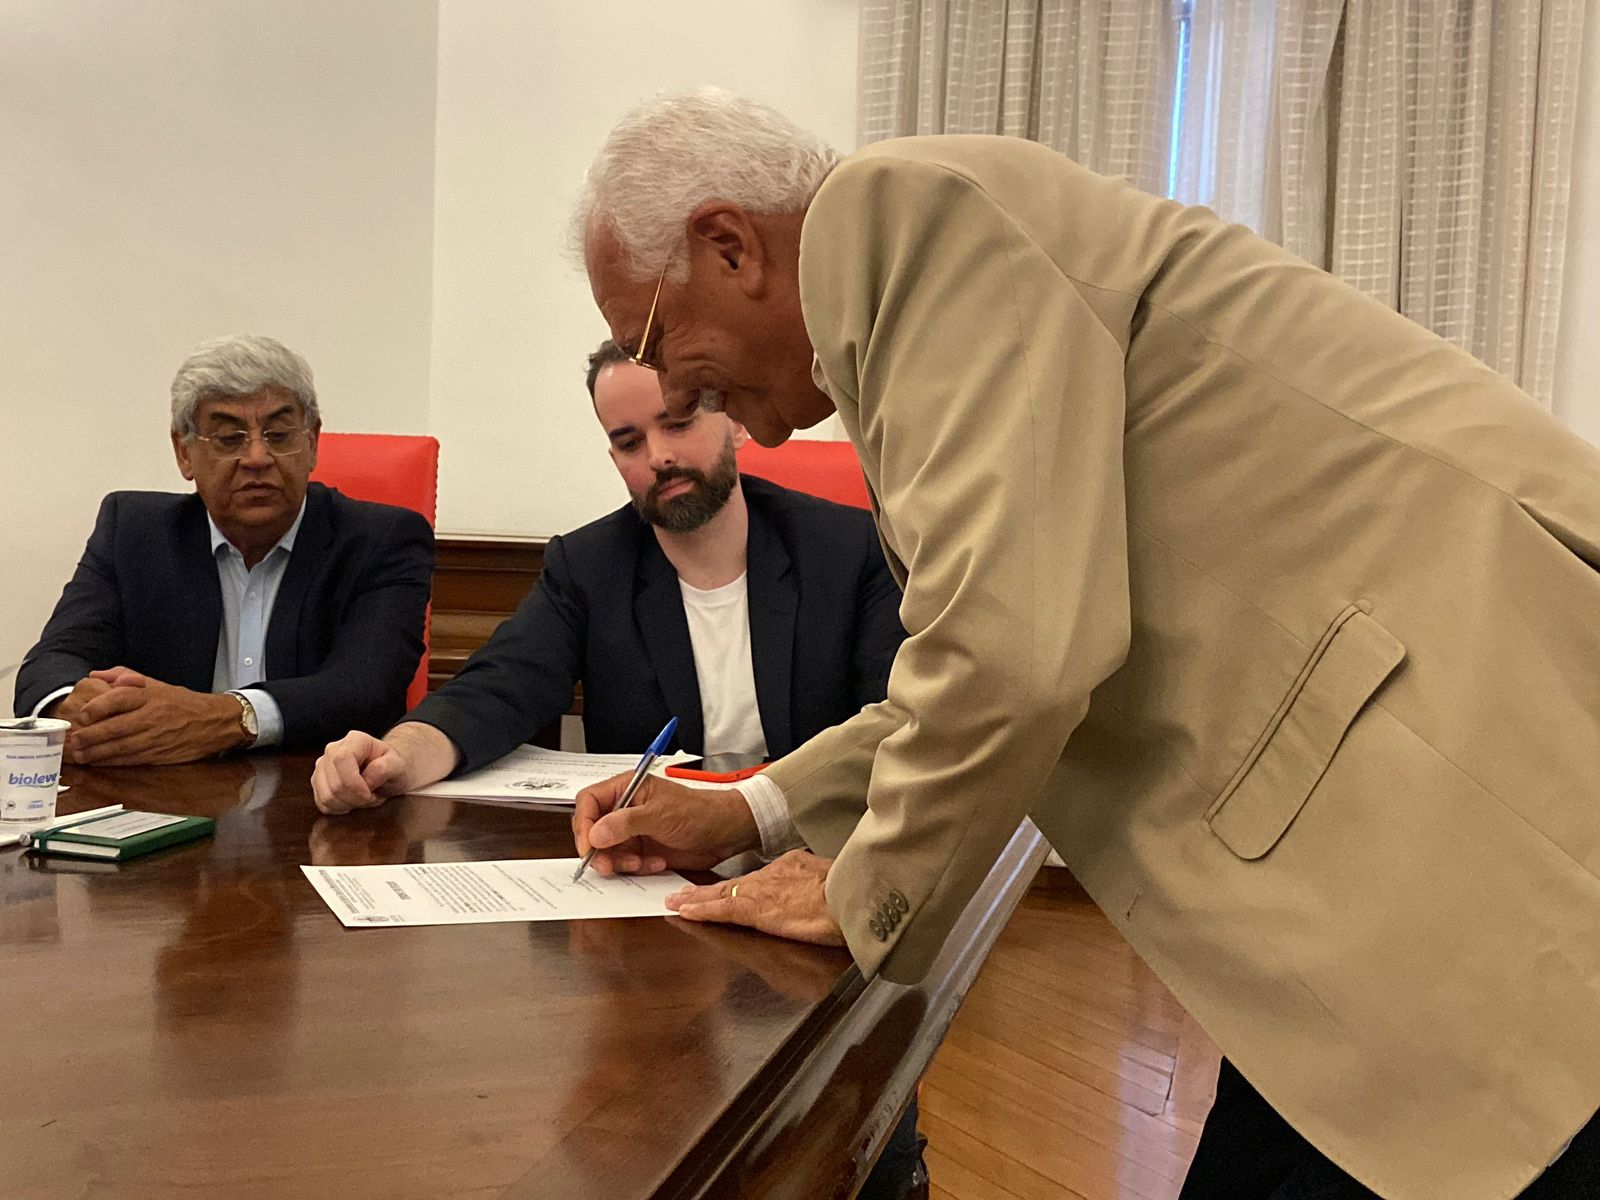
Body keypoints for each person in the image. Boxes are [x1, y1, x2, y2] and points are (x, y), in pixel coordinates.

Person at [569, 90, 1600, 1199]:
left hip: (1453, 806)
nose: (671, 388)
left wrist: (864, 893)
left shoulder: (900, 216)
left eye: (653, 340)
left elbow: (1011, 657)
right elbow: (978, 654)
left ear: (731, 245)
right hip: (1381, 832)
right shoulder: (902, 304)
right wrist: (748, 809)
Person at [310, 343, 924, 1200]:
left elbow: (895, 725)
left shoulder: (846, 549)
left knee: (834, 1120)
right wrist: (399, 753)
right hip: (656, 905)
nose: (659, 456)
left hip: (812, 876)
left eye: (678, 423)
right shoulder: (589, 564)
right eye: (630, 440)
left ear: (732, 421)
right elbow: (503, 683)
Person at [14, 334, 434, 765]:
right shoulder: (133, 532)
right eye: (229, 438)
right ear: (184, 453)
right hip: (163, 791)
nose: (257, 457)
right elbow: (51, 663)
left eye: (278, 434)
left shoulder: (382, 540)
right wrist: (80, 708)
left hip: (316, 790)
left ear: (311, 443)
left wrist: (227, 717)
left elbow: (366, 690)